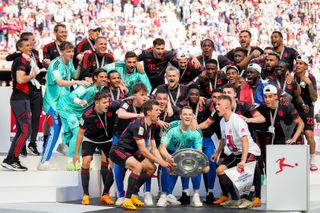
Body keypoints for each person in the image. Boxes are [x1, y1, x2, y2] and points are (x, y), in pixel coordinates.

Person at [109, 99, 171, 210]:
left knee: (151, 168)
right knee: (137, 166)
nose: (159, 112)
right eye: (156, 110)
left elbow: (154, 148)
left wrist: (164, 162)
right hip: (118, 150)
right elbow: (143, 151)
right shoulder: (139, 125)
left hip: (131, 151)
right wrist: (162, 162)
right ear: (148, 112)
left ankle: (133, 194)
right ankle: (126, 200)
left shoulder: (150, 125)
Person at [39, 41, 88, 170]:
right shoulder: (55, 64)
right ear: (62, 52)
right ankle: (43, 161)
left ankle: (63, 145)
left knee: (72, 125)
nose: (71, 54)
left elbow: (74, 75)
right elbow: (60, 83)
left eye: (72, 51)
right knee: (54, 129)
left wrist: (80, 63)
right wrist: (78, 82)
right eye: (68, 51)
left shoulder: (70, 62)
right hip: (52, 104)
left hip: (64, 104)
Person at [212, 95, 262, 208]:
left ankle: (249, 199)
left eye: (219, 104)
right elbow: (224, 140)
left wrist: (244, 160)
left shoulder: (237, 120)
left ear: (227, 106)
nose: (216, 107)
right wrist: (217, 153)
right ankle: (235, 198)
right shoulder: (222, 122)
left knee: (245, 170)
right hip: (236, 153)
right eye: (216, 105)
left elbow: (245, 141)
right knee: (220, 171)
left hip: (250, 150)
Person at [73, 92, 119, 205]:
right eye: (104, 102)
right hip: (90, 139)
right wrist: (76, 154)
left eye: (108, 101)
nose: (107, 104)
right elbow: (80, 134)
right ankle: (85, 195)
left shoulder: (111, 108)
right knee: (86, 162)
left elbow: (125, 103)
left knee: (113, 164)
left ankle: (105, 194)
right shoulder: (87, 114)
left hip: (107, 140)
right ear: (96, 103)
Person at [157, 106, 209, 207]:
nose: (187, 117)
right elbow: (162, 148)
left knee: (198, 165)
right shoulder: (171, 127)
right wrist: (168, 157)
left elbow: (199, 152)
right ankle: (163, 196)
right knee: (165, 166)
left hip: (184, 152)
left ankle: (196, 196)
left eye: (190, 115)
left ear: (193, 117)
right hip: (169, 151)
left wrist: (204, 165)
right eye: (185, 114)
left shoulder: (197, 131)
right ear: (180, 116)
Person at [1, 39, 40, 171]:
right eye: (27, 45)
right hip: (20, 99)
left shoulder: (24, 59)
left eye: (31, 45)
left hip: (21, 99)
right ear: (20, 48)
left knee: (22, 130)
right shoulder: (20, 60)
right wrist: (32, 75)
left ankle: (10, 159)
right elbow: (20, 79)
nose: (30, 47)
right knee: (25, 130)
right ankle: (13, 159)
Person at [57, 69, 107, 171]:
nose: (104, 79)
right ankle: (72, 163)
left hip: (79, 112)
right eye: (101, 77)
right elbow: (72, 95)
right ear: (95, 78)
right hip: (67, 108)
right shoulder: (87, 86)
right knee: (77, 133)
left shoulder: (102, 88)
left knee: (81, 134)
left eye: (105, 77)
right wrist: (80, 101)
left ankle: (78, 158)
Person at [111, 82, 149, 206]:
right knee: (119, 167)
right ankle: (121, 195)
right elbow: (120, 114)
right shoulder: (127, 102)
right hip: (120, 138)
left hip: (137, 140)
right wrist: (139, 116)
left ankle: (134, 193)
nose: (144, 97)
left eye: (146, 94)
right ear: (134, 96)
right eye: (142, 95)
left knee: (147, 165)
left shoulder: (147, 104)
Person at [256, 85, 305, 162]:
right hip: (278, 138)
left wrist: (294, 138)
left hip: (293, 136)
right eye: (265, 97)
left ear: (276, 96)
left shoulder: (287, 106)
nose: (267, 99)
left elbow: (301, 124)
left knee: (294, 164)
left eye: (270, 96)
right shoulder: (262, 107)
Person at [294, 55, 318, 171]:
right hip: (294, 109)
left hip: (308, 109)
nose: (297, 65)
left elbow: (314, 98)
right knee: (296, 136)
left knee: (309, 135)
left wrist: (309, 84)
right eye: (297, 63)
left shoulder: (311, 77)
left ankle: (312, 160)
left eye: (300, 63)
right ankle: (298, 160)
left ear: (306, 66)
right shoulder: (292, 77)